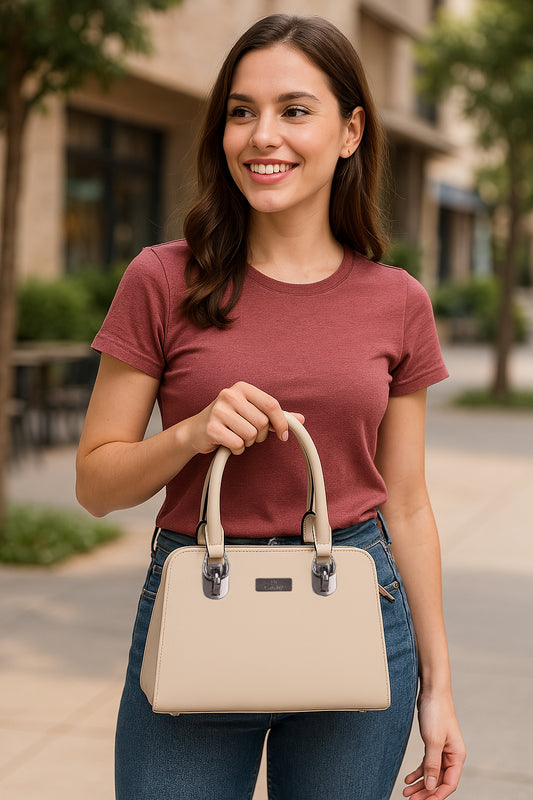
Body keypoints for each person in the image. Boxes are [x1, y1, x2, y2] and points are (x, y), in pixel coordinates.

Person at [76, 13, 465, 800]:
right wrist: (187, 434)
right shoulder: (161, 280)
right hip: (198, 601)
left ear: (350, 130)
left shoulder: (396, 302)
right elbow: (96, 485)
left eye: (294, 110)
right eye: (241, 111)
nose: (263, 136)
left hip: (356, 606)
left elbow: (410, 506)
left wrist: (438, 686)